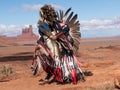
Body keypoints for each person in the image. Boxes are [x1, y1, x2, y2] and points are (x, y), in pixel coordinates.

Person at [35, 4, 84, 84]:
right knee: (47, 61)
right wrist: (39, 46)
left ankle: (66, 78)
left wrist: (57, 36)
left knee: (63, 62)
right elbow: (42, 37)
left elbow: (66, 27)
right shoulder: (42, 25)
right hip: (49, 47)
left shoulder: (56, 23)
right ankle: (55, 75)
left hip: (60, 47)